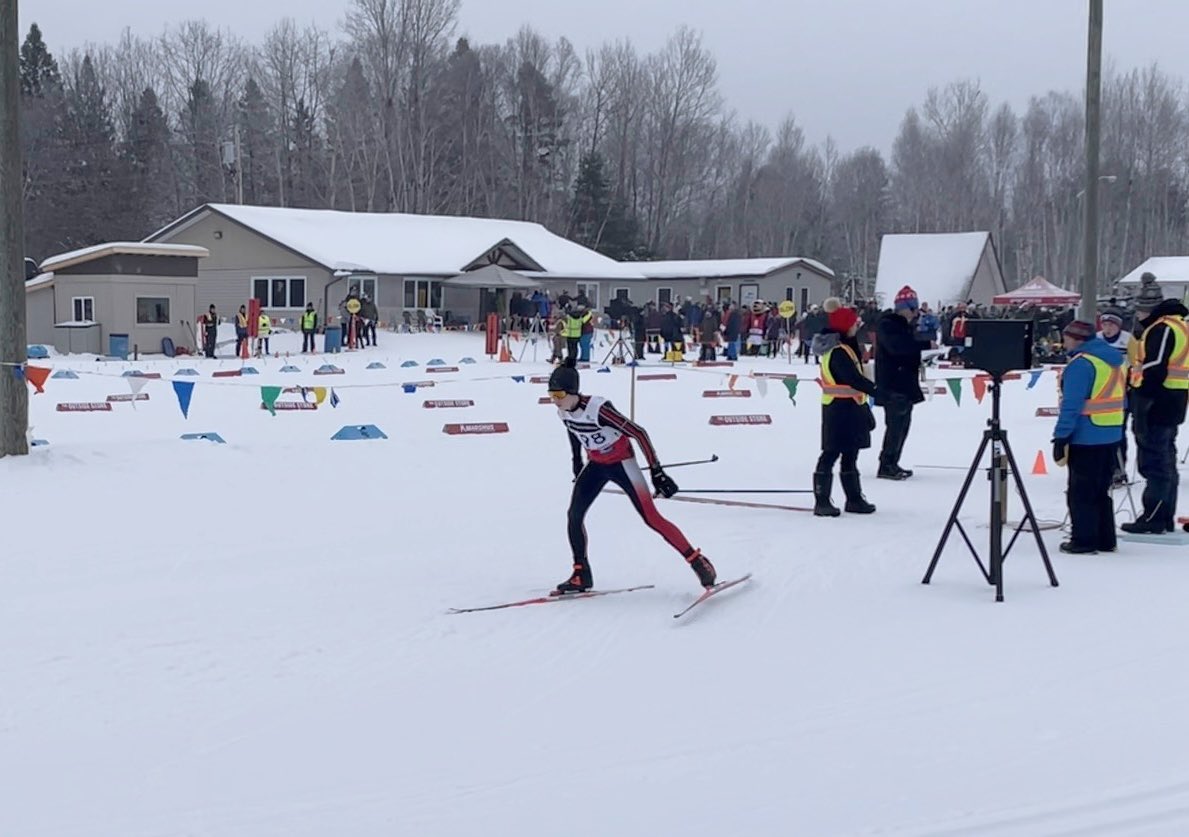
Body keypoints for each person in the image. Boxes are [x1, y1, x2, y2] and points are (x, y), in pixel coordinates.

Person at [546, 357, 717, 593]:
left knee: (651, 518)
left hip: (622, 464)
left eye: (559, 395)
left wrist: (657, 471)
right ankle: (581, 573)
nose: (555, 401)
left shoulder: (598, 409)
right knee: (574, 516)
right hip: (596, 465)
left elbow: (639, 433)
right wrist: (577, 462)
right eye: (551, 395)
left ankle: (697, 561)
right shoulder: (563, 412)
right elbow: (574, 432)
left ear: (573, 392)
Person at [1121, 274, 1189, 534]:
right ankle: (1163, 515)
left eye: (1138, 311)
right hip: (1174, 399)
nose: (1137, 316)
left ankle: (1154, 517)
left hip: (1157, 401)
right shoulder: (1180, 325)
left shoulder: (1162, 328)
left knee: (1154, 462)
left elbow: (1155, 366)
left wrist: (1140, 390)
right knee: (1166, 460)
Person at [1052, 320, 1125, 554]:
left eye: (1066, 338)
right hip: (1112, 431)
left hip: (1087, 433)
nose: (1064, 343)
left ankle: (1084, 540)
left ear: (1076, 339)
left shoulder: (1081, 364)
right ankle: (1105, 537)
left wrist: (1061, 436)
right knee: (1101, 489)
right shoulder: (1113, 361)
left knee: (1081, 492)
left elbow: (1072, 405)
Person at [812, 298, 878, 517]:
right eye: (853, 323)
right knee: (830, 454)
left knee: (850, 454)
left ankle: (854, 498)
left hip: (852, 407)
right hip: (838, 410)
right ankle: (822, 501)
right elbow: (852, 379)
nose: (856, 326)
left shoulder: (846, 348)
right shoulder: (838, 351)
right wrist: (877, 391)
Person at [874, 285, 927, 480]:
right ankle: (886, 464)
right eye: (913, 309)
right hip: (893, 384)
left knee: (903, 426)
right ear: (903, 309)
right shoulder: (888, 325)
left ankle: (893, 461)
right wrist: (924, 346)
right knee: (895, 426)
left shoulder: (905, 327)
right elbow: (898, 348)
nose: (915, 313)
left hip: (905, 383)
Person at [1097, 309, 1133, 482]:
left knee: (1118, 431)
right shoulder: (1096, 339)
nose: (1108, 328)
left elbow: (1136, 363)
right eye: (1104, 324)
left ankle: (1118, 468)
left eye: (1111, 324)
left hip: (1121, 392)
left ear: (1119, 326)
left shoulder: (1128, 340)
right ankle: (1102, 467)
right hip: (1099, 393)